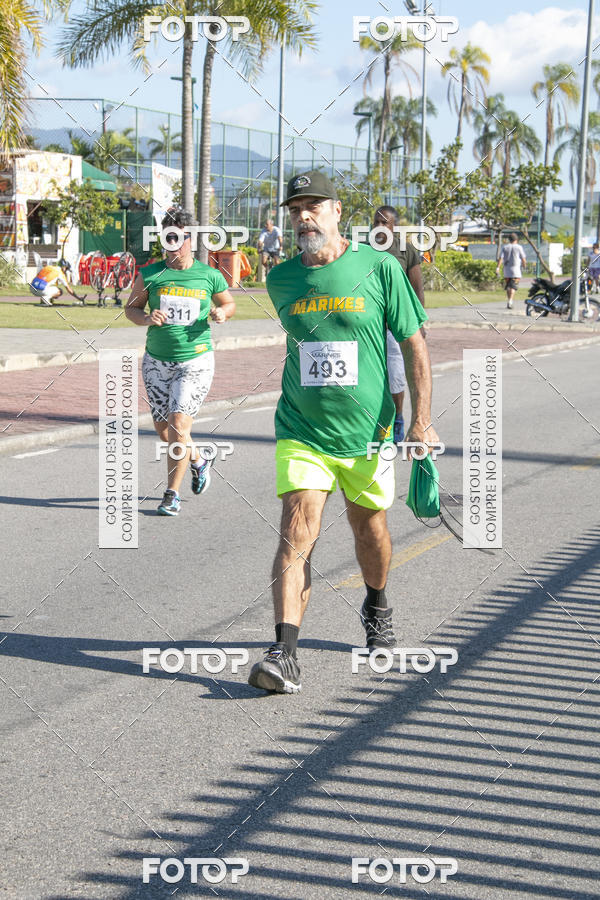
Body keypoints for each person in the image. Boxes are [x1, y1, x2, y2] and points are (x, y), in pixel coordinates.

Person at [247, 171, 439, 694]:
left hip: (369, 432)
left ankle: (376, 600)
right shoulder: (281, 279)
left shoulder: (378, 267)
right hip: (301, 428)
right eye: (295, 209)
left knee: (368, 531)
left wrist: (419, 420)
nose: (303, 217)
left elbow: (415, 342)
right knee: (296, 528)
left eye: (313, 206)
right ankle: (283, 651)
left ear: (336, 211)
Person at [125, 209, 236, 516]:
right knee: (165, 432)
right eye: (167, 237)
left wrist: (222, 313)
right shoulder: (150, 274)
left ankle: (170, 494)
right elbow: (131, 308)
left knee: (178, 424)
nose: (172, 243)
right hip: (156, 362)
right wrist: (147, 317)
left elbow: (228, 302)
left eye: (178, 237)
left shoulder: (208, 275)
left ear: (191, 239)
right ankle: (199, 460)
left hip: (195, 360)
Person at [371, 206, 426, 444]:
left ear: (395, 226)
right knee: (369, 375)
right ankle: (373, 422)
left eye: (386, 223)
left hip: (397, 323)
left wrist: (419, 322)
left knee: (395, 375)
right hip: (369, 323)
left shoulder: (407, 249)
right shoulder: (362, 248)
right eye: (376, 222)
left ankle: (399, 419)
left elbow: (417, 288)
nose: (380, 227)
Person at [496, 233, 526, 309]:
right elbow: (523, 258)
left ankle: (509, 300)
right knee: (513, 287)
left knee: (509, 286)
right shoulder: (519, 247)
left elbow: (501, 258)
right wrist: (524, 265)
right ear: (516, 239)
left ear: (509, 239)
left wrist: (498, 268)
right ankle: (510, 301)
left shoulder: (505, 247)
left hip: (507, 270)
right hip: (516, 270)